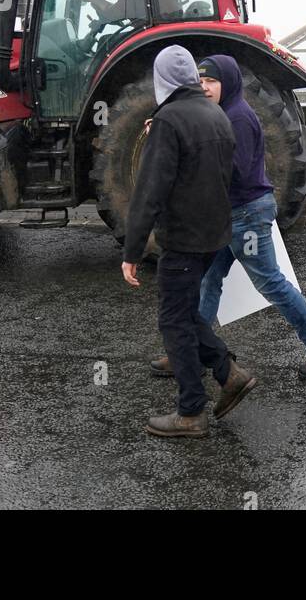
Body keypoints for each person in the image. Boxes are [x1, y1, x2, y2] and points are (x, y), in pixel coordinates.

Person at [148, 54, 306, 381]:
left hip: (246, 215)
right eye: (200, 81)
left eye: (212, 81)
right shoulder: (220, 113)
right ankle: (189, 351)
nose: (205, 87)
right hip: (230, 214)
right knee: (208, 280)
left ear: (227, 83)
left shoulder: (237, 117)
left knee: (271, 283)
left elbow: (234, 171)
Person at [122, 46, 258, 439]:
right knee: (186, 312)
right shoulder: (216, 114)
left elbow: (149, 191)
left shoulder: (168, 120)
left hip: (183, 237)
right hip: (214, 234)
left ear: (162, 78)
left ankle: (190, 411)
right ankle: (229, 374)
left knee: (173, 320)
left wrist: (132, 251)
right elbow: (225, 174)